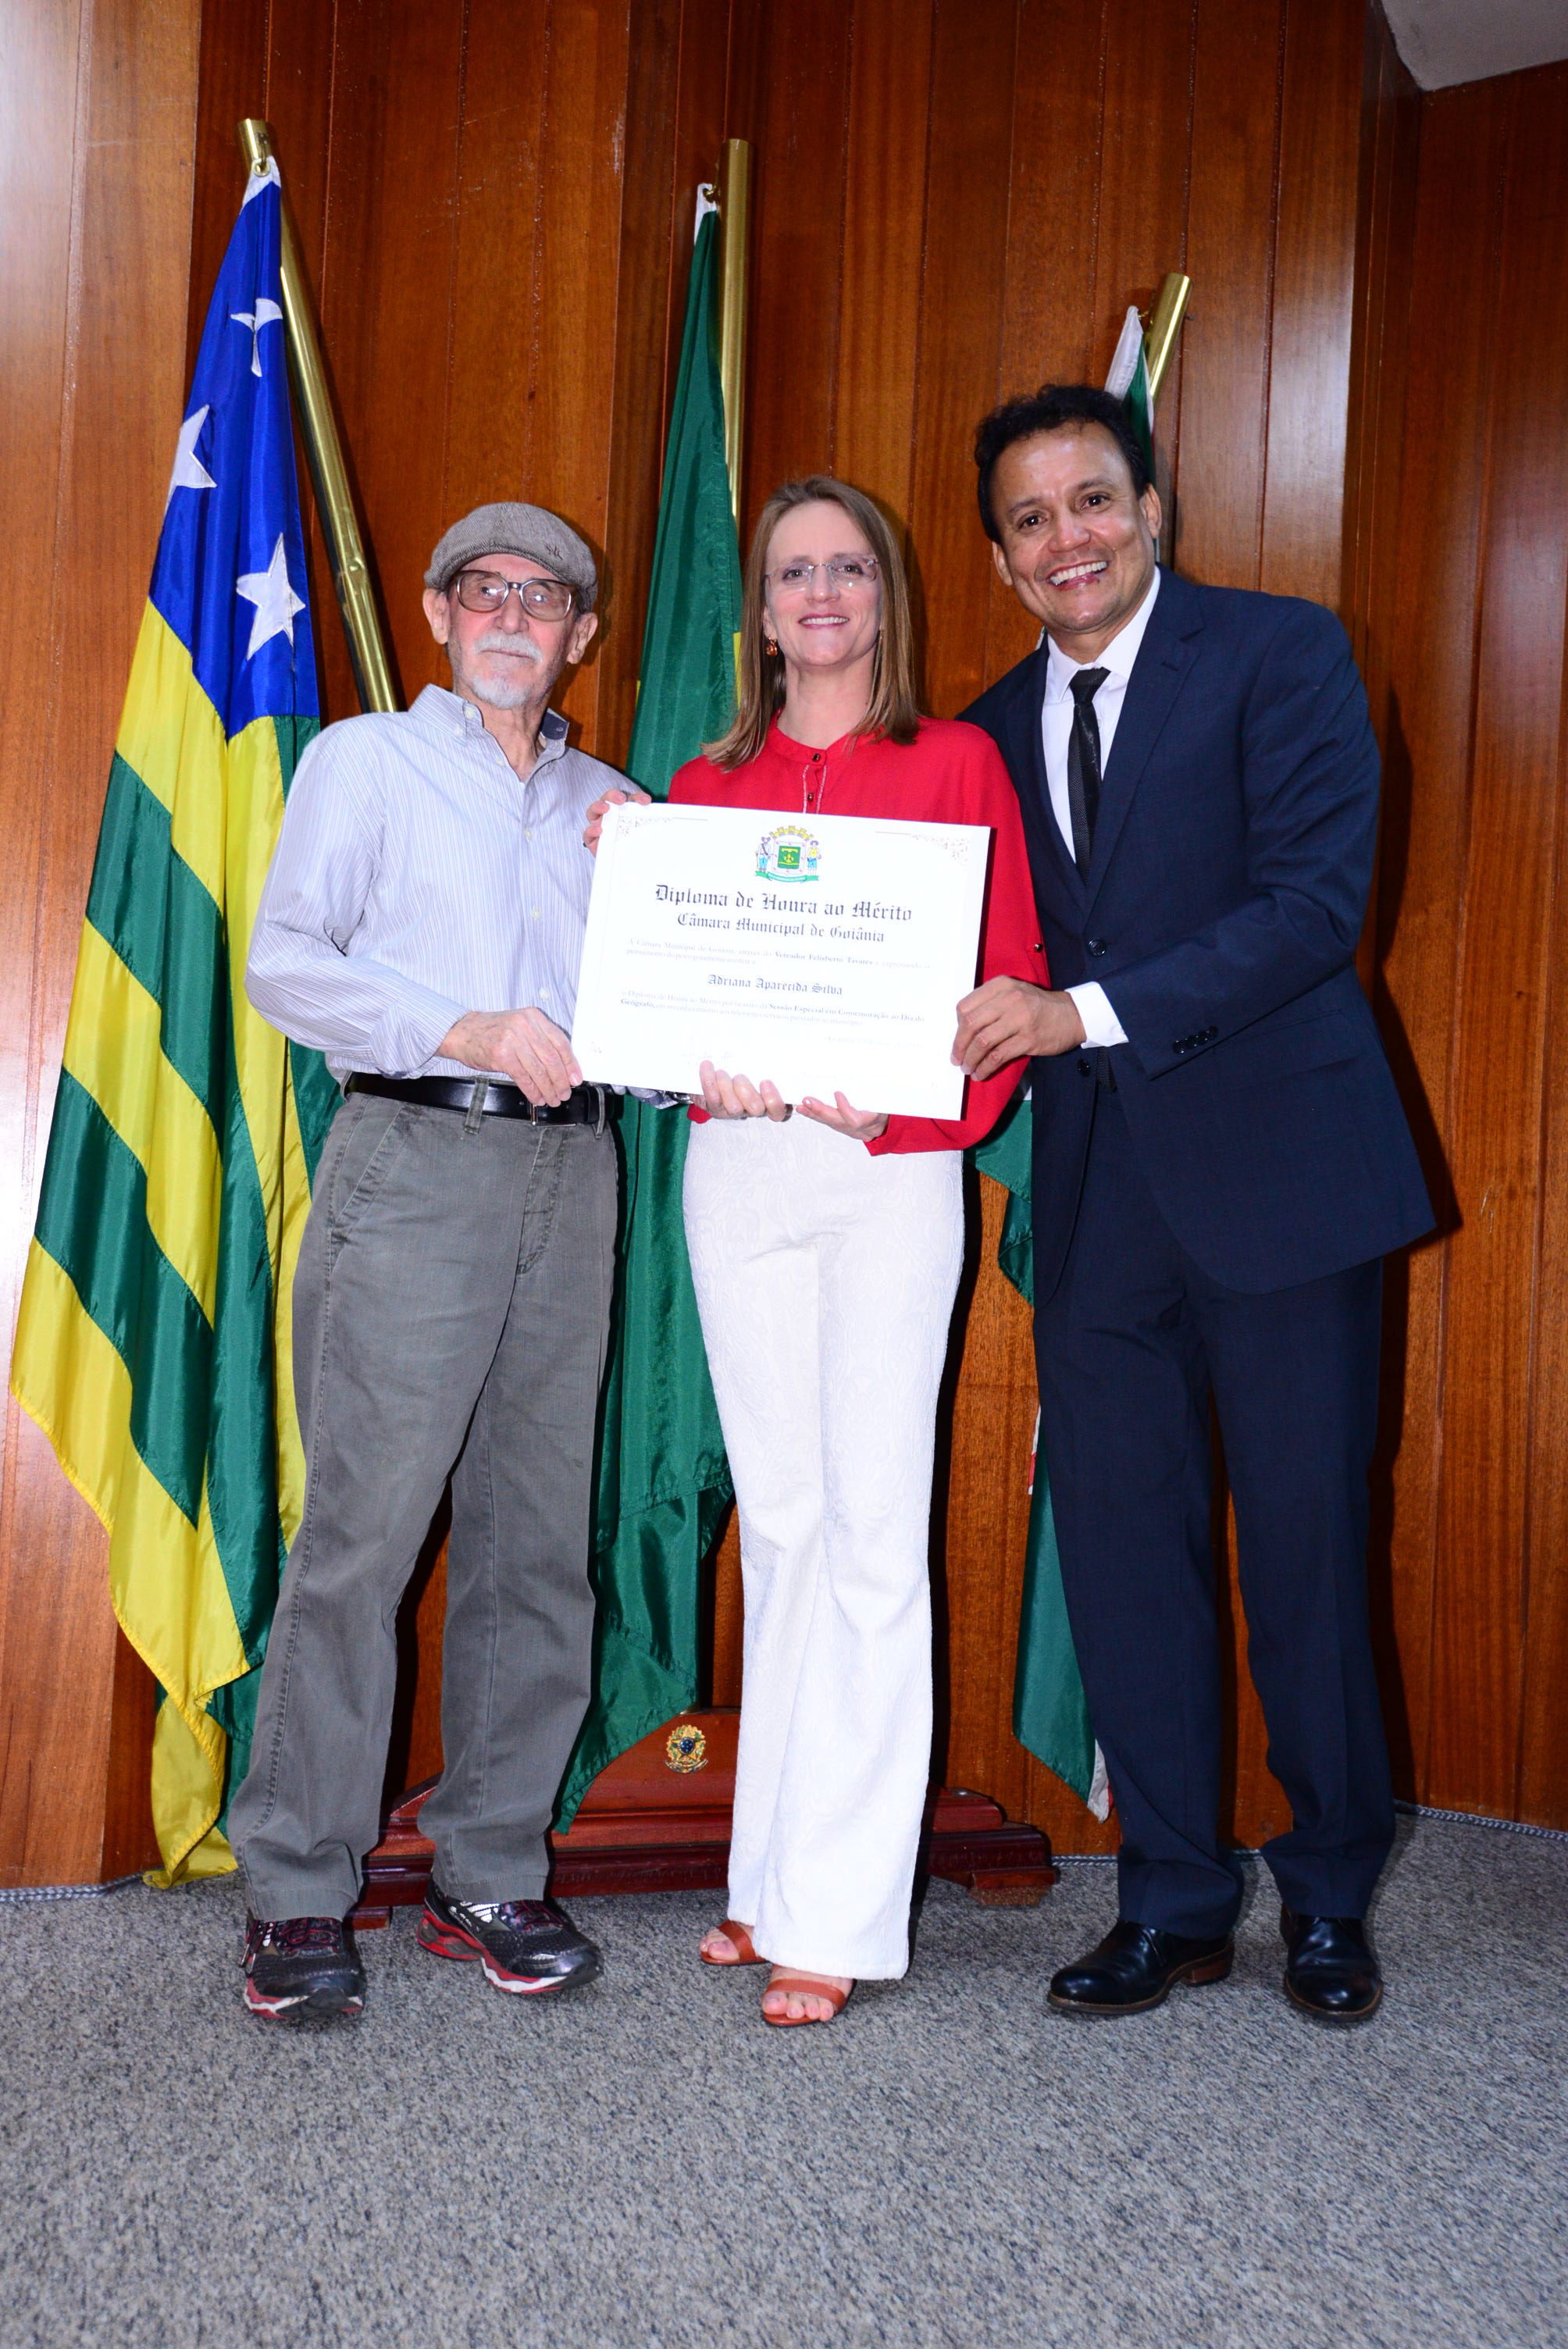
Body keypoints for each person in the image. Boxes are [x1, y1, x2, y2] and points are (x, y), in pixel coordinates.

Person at [955, 387, 1433, 2023]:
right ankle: (1168, 1899)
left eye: (1092, 500)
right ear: (1002, 559)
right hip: (1098, 1201)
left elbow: (1310, 910)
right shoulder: (980, 730)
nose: (1067, 538)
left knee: (1305, 1548)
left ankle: (1327, 1895)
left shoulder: (1282, 653)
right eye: (1030, 519)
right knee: (1123, 1557)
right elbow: (942, 942)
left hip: (1285, 1182)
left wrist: (1077, 1014)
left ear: (1151, 508)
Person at [592, 477, 1047, 2026]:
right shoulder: (700, 785)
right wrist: (681, 1050)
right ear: (763, 612)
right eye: (795, 571)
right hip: (742, 1169)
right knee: (781, 1519)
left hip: (891, 1170)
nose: (823, 591)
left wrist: (915, 1103)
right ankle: (766, 1874)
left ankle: (837, 1913)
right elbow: (663, 1013)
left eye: (849, 566)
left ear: (883, 593)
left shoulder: (956, 761)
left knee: (867, 1531)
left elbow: (1010, 981)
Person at [230, 501, 625, 2018]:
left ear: (581, 633)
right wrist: (462, 1027)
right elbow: (285, 962)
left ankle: (490, 1865)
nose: (515, 613)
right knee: (363, 1539)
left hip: (575, 1173)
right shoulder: (364, 763)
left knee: (537, 1544)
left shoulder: (618, 811)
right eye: (485, 590)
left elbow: (650, 1020)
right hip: (413, 1159)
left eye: (545, 596)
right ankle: (295, 1886)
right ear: (440, 613)